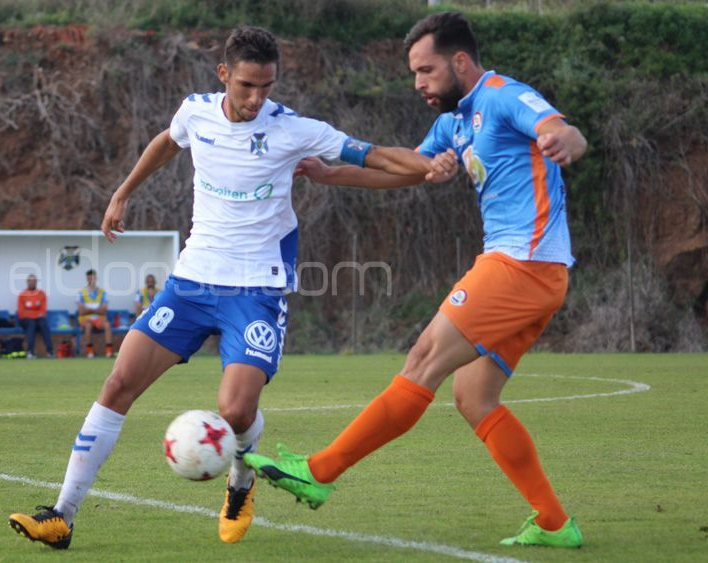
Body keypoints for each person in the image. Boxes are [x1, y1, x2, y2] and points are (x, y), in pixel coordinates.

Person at [8, 26, 447, 549]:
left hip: (256, 290)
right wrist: (123, 193)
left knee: (236, 411)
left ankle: (241, 483)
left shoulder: (293, 129)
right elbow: (167, 143)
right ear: (223, 75)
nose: (257, 98)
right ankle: (62, 514)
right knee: (118, 382)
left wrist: (433, 166)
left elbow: (373, 155)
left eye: (267, 86)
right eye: (245, 86)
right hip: (191, 282)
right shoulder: (195, 111)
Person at [244, 12, 588, 550]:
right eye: (414, 73)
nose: (418, 84)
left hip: (522, 264)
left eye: (426, 71)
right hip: (533, 274)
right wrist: (331, 172)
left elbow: (557, 128)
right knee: (475, 398)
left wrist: (566, 141)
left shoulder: (502, 96)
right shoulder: (453, 122)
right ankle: (553, 523)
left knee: (423, 358)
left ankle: (319, 472)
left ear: (459, 61)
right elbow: (407, 169)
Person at [76, 269, 112, 359]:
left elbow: (104, 310)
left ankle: (108, 350)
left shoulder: (102, 292)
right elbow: (81, 311)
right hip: (85, 319)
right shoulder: (81, 293)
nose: (91, 280)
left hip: (99, 319)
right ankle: (90, 351)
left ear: (96, 278)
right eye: (89, 278)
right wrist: (97, 310)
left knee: (107, 325)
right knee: (88, 326)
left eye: (93, 278)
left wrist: (88, 310)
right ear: (87, 279)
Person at [18, 274, 54, 359]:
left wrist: (30, 310)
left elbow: (43, 311)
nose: (32, 283)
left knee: (44, 323)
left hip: (38, 319)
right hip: (26, 320)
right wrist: (35, 310)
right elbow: (21, 312)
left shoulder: (41, 294)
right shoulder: (22, 294)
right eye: (30, 281)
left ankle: (50, 351)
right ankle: (30, 352)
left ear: (36, 282)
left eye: (34, 281)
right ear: (27, 282)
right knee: (31, 324)